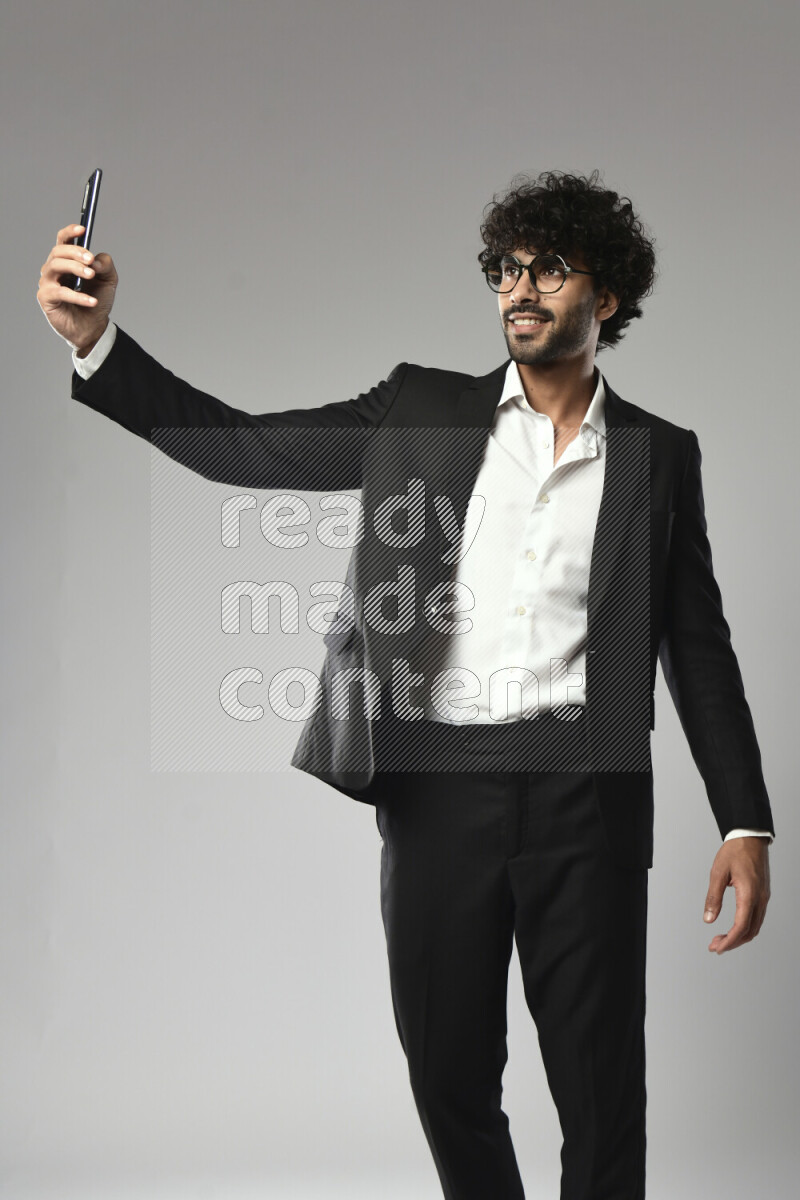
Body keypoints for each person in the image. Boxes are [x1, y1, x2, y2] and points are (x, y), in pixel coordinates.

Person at [38, 169, 774, 1200]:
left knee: (604, 1093)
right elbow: (240, 447)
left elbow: (695, 646)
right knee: (447, 1076)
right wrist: (96, 345)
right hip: (438, 792)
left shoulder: (660, 455)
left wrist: (743, 820)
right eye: (505, 271)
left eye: (548, 270)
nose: (519, 290)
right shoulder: (421, 407)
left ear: (604, 298)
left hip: (585, 799)